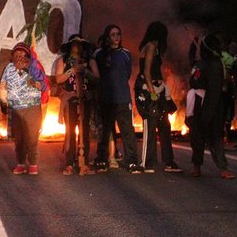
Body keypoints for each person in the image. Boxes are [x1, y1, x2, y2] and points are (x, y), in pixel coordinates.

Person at [93, 25, 142, 173]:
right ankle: (102, 159)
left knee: (127, 131)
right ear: (108, 37)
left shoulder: (125, 53)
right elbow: (97, 73)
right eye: (113, 34)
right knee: (105, 130)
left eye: (118, 34)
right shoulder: (99, 54)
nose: (116, 37)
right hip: (106, 98)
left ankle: (132, 161)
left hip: (122, 98)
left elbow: (127, 74)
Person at [187, 34, 234, 179]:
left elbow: (213, 91)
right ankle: (196, 166)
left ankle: (223, 168)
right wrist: (192, 47)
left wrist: (207, 114)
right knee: (196, 137)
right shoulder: (201, 63)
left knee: (215, 136)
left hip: (211, 104)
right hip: (196, 104)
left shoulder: (215, 64)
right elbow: (192, 62)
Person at [137, 22, 181, 173]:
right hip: (149, 90)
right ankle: (147, 162)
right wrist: (152, 92)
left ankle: (169, 161)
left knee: (164, 124)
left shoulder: (153, 47)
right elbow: (146, 71)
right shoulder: (150, 47)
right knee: (151, 124)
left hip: (157, 89)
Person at [0, 42, 48, 176]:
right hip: (15, 108)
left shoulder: (34, 68)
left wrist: (33, 80)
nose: (19, 56)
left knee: (31, 137)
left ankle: (32, 163)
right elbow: (3, 85)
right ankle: (20, 163)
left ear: (27, 56)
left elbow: (43, 86)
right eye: (17, 54)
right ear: (12, 56)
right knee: (19, 138)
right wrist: (3, 101)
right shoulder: (8, 68)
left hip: (32, 108)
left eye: (22, 54)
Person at [53, 34, 97, 175]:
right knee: (70, 131)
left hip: (85, 99)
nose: (77, 47)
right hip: (71, 99)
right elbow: (59, 79)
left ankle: (83, 161)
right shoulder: (63, 60)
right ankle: (70, 162)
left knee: (85, 130)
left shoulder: (89, 61)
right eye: (75, 44)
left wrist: (86, 71)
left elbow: (97, 78)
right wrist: (72, 70)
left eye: (80, 45)